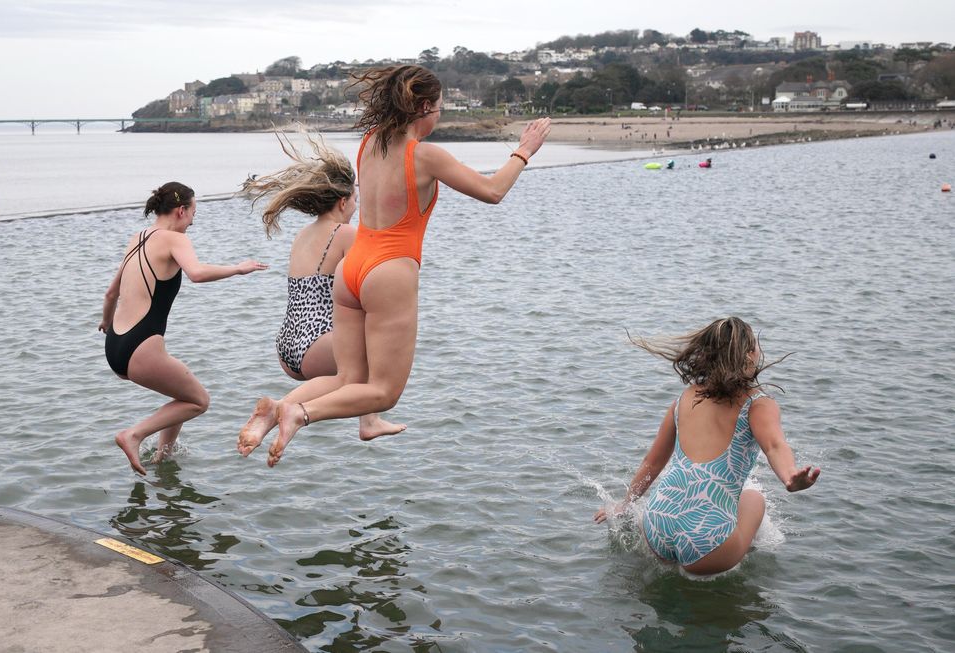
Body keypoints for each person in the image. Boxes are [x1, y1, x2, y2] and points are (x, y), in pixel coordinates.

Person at [237, 65, 551, 466]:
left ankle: (277, 410)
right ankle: (300, 414)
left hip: (352, 270)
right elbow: (492, 191)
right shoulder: (424, 155)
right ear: (423, 107)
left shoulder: (369, 143)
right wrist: (524, 150)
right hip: (389, 270)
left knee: (348, 380)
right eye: (438, 107)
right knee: (385, 391)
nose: (440, 114)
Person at [593, 317, 820, 575]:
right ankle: (735, 543)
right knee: (755, 497)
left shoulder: (685, 397)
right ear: (747, 355)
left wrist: (625, 504)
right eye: (755, 344)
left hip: (657, 524)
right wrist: (790, 476)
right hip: (707, 544)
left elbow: (652, 463)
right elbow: (775, 446)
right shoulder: (758, 403)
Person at [240, 133, 405, 443]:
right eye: (356, 199)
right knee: (374, 358)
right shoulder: (345, 233)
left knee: (356, 368)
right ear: (343, 201)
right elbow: (369, 284)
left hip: (287, 345)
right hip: (317, 343)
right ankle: (283, 411)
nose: (357, 206)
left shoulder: (303, 235)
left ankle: (361, 420)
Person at [100, 182, 267, 475]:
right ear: (180, 210)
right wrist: (239, 268)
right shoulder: (175, 240)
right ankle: (134, 435)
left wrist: (105, 322)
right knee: (199, 401)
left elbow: (111, 294)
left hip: (115, 346)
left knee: (181, 396)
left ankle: (162, 460)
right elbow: (197, 273)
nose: (191, 222)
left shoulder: (137, 237)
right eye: (193, 215)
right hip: (141, 347)